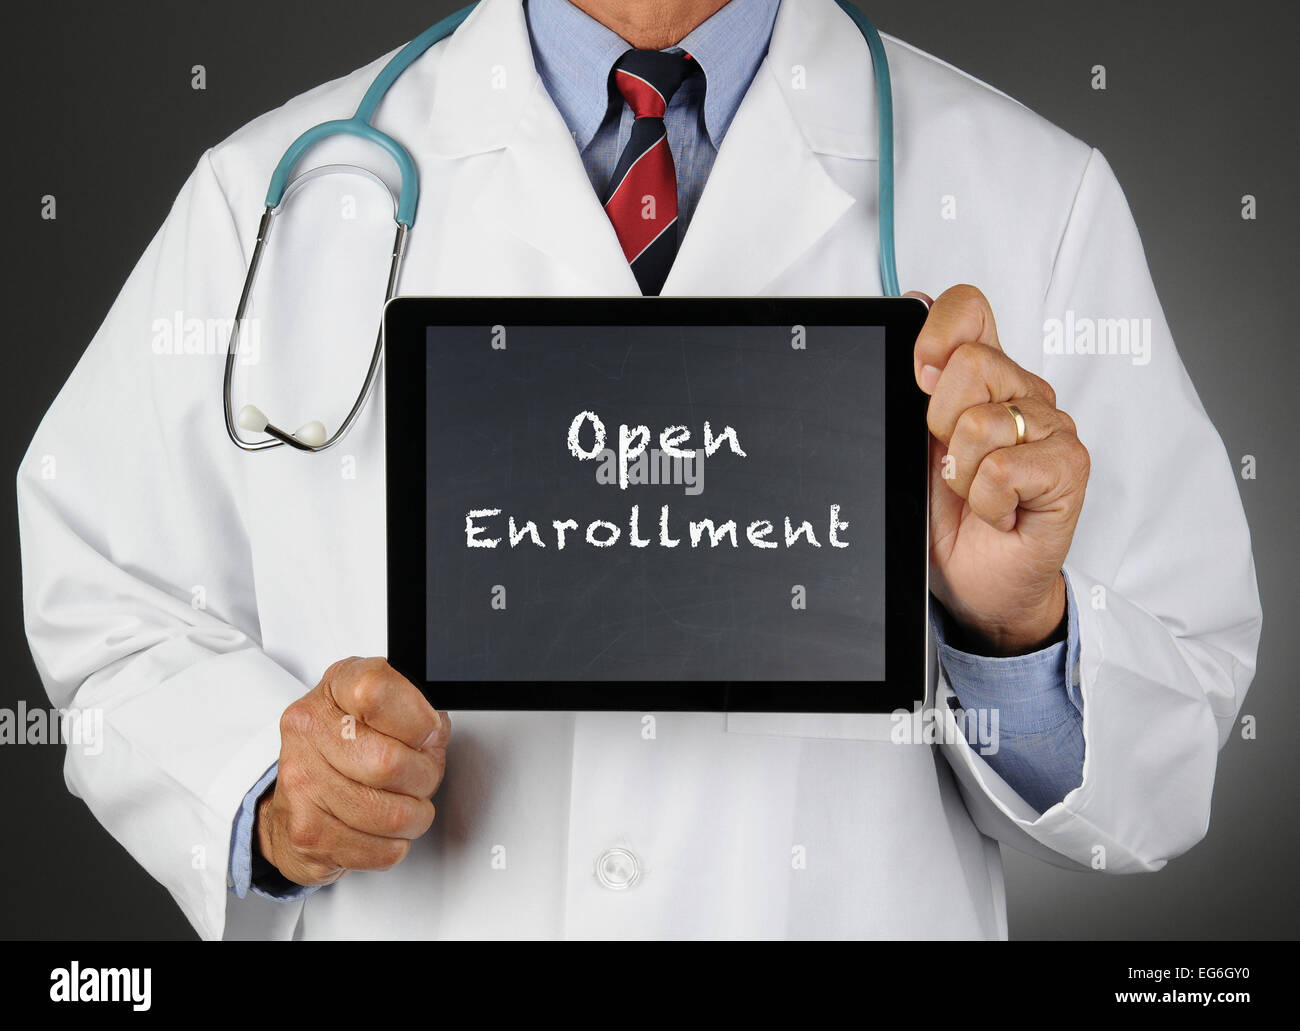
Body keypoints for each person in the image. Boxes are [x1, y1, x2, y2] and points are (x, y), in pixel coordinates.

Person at [17, 0, 1260, 939]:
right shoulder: (276, 195)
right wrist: (267, 786)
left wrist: (1013, 630)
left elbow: (1171, 734)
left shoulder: (1029, 195)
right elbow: (108, 596)